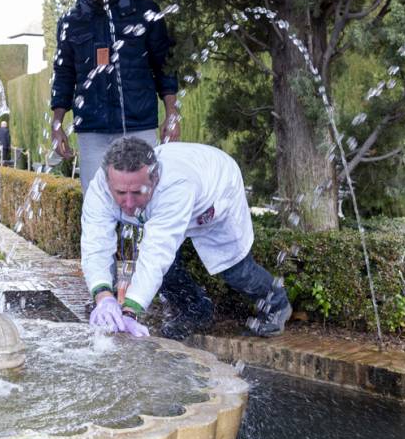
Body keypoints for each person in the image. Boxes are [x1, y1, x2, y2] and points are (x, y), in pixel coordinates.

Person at [83, 137, 292, 340]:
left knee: (236, 269)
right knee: (168, 272)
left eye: (137, 192)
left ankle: (277, 302)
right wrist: (103, 297)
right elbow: (96, 244)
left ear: (154, 179)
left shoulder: (175, 185)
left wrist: (129, 312)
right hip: (175, 200)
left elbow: (157, 252)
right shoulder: (99, 188)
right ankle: (196, 311)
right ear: (108, 182)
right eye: (120, 193)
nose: (128, 204)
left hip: (216, 189)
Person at [50, 0, 182, 194]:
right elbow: (63, 75)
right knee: (96, 208)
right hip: (92, 130)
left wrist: (172, 114)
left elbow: (164, 66)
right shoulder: (71, 21)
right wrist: (57, 126)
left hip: (138, 126)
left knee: (144, 202)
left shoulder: (145, 13)